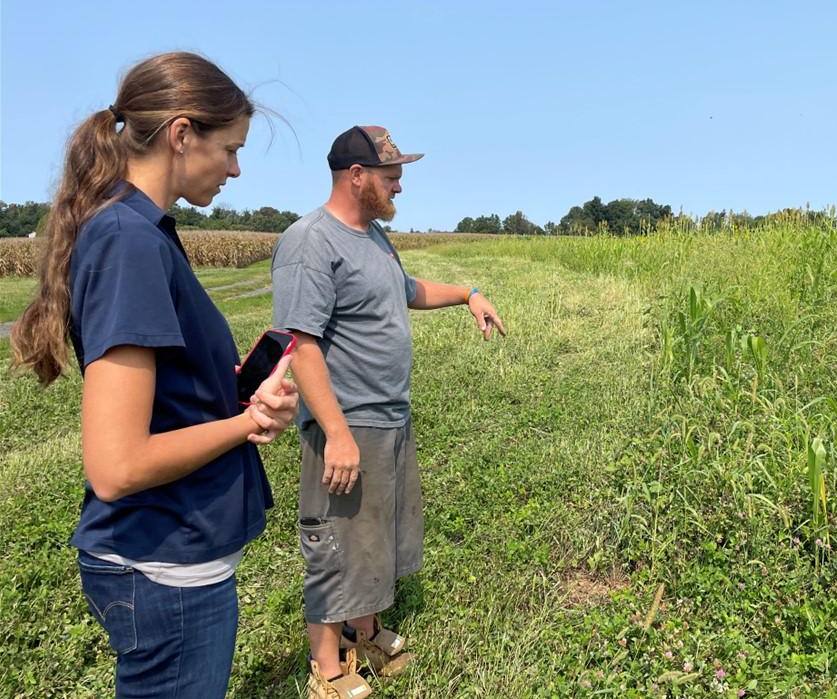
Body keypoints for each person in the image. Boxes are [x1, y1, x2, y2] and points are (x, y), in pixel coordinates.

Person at [9, 52, 299, 699]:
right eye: (230, 148)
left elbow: (161, 389)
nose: (235, 168)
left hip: (170, 565)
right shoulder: (128, 240)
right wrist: (246, 422)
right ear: (181, 134)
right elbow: (116, 464)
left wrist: (228, 384)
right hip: (162, 571)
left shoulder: (140, 230)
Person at [271, 125, 506, 697]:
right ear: (357, 176)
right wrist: (337, 433)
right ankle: (327, 669)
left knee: (376, 537)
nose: (400, 183)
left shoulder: (373, 236)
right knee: (335, 544)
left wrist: (468, 295)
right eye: (391, 173)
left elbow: (407, 289)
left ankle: (364, 634)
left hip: (390, 419)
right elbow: (299, 344)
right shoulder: (310, 242)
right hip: (347, 425)